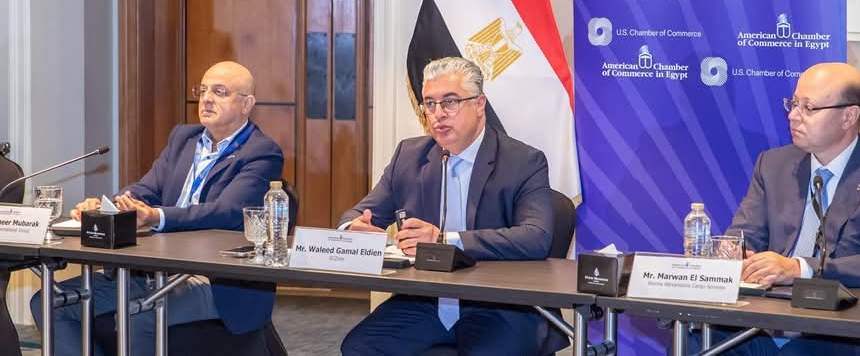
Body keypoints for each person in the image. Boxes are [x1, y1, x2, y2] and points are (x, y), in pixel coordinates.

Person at [31, 61, 284, 356]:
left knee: (140, 315)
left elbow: (225, 212)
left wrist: (156, 216)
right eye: (203, 90)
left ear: (246, 104)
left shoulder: (261, 152)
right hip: (153, 270)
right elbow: (146, 190)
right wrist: (108, 206)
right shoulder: (184, 139)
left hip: (214, 280)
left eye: (219, 92)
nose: (206, 99)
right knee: (48, 302)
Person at [338, 57, 567, 356]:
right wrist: (354, 229)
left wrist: (445, 240)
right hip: (428, 301)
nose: (437, 114)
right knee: (360, 347)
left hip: (500, 305)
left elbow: (535, 237)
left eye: (450, 102)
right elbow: (361, 214)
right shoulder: (409, 155)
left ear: (479, 104)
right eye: (429, 104)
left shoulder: (523, 161)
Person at [705, 62, 860, 356]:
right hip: (766, 323)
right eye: (793, 104)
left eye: (808, 108)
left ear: (849, 116)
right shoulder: (772, 165)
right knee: (696, 341)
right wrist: (738, 257)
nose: (793, 116)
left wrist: (798, 269)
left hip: (843, 333)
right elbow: (743, 237)